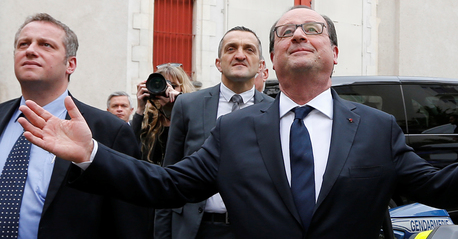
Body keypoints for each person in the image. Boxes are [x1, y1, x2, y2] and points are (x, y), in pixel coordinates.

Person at [19, 6, 458, 239]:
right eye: (286, 32)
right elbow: (167, 185)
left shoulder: (374, 129)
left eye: (312, 30)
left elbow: (436, 186)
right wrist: (92, 155)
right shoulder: (234, 131)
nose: (299, 36)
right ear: (272, 62)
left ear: (334, 52)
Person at [0, 13, 151, 238]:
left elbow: (129, 222)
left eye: (45, 45)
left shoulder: (109, 131)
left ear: (70, 64)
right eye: (23, 44)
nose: (30, 50)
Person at [154, 26, 274, 239]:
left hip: (254, 229)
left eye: (249, 49)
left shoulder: (276, 111)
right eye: (231, 49)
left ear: (261, 65)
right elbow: (170, 176)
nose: (239, 55)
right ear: (218, 63)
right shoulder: (187, 105)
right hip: (198, 230)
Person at [133, 64, 194, 164]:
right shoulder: (149, 118)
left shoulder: (190, 116)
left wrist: (178, 102)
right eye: (161, 85)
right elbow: (130, 145)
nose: (167, 89)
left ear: (182, 89)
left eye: (173, 86)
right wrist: (140, 109)